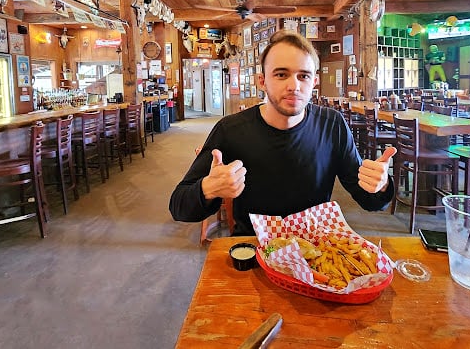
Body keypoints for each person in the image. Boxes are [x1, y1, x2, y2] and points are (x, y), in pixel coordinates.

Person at [169, 30, 396, 236]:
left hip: (314, 248)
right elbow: (179, 207)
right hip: (253, 248)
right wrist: (208, 188)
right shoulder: (230, 131)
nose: (294, 86)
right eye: (281, 74)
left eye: (303, 76)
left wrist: (381, 183)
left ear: (314, 82)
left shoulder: (332, 125)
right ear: (262, 81)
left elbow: (370, 201)